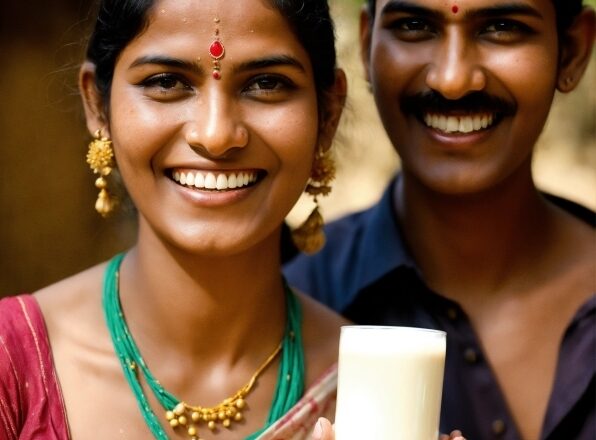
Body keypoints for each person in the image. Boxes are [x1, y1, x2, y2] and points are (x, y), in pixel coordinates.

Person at [0, 0, 353, 438]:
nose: (216, 135)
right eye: (166, 82)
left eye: (266, 83)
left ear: (329, 113)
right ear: (97, 104)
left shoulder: (375, 384)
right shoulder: (13, 365)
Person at [285, 0, 596, 439]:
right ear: (367, 44)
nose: (452, 80)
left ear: (572, 50)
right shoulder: (294, 309)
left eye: (501, 27)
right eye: (414, 25)